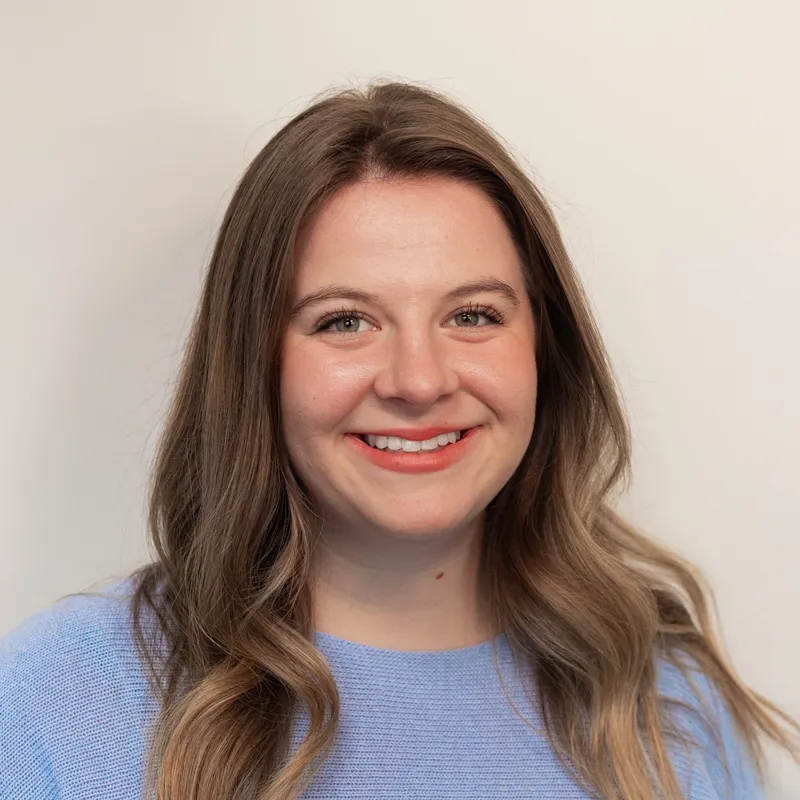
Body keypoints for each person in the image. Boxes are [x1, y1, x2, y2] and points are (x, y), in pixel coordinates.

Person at [1, 79, 798, 800]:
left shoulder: (662, 706)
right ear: (256, 365)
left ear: (543, 353)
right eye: (345, 321)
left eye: (473, 315)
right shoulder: (59, 703)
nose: (418, 380)